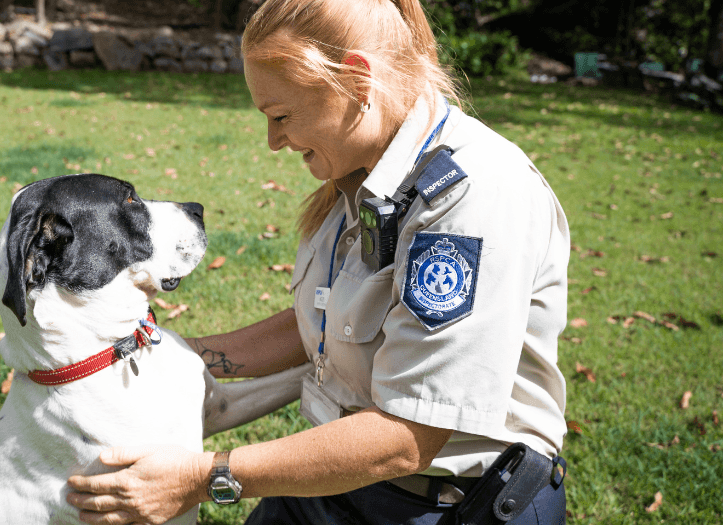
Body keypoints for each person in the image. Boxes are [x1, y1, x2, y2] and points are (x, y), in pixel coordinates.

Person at [67, 0, 570, 523]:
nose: (272, 142)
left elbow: (406, 437)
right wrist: (172, 358)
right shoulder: (362, 172)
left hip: (448, 506)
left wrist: (203, 477)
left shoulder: (471, 198)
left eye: (281, 116)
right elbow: (326, 325)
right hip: (336, 476)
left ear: (356, 83)